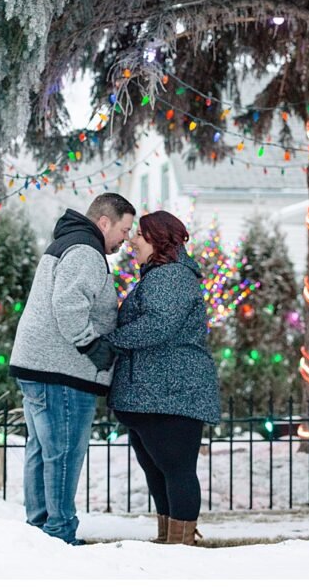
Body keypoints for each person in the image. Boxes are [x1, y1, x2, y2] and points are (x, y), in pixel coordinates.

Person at [9, 193, 136, 545]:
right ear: (104, 222)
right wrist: (93, 346)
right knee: (64, 454)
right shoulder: (85, 251)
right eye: (124, 230)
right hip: (62, 370)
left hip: (38, 364)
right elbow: (68, 306)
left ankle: (39, 528)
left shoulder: (68, 243)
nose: (125, 239)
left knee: (42, 450)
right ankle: (60, 533)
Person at [106, 210, 221, 545]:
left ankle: (180, 544)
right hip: (155, 394)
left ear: (158, 238)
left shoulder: (171, 276)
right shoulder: (159, 275)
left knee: (175, 470)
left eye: (139, 234)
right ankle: (168, 539)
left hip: (171, 394)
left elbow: (159, 324)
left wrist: (111, 343)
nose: (132, 240)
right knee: (160, 472)